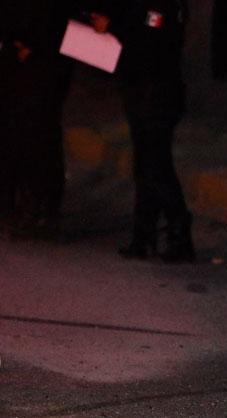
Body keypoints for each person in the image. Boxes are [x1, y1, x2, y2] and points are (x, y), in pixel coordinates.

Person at [90, 0, 195, 263]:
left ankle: (179, 234)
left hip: (158, 92)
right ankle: (144, 236)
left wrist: (113, 26)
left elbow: (152, 41)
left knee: (157, 166)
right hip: (140, 88)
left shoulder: (165, 6)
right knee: (145, 165)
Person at [0, 0, 76, 240]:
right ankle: (21, 205)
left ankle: (42, 208)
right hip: (19, 63)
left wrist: (32, 45)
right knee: (16, 133)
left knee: (41, 136)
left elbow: (58, 19)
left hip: (45, 65)